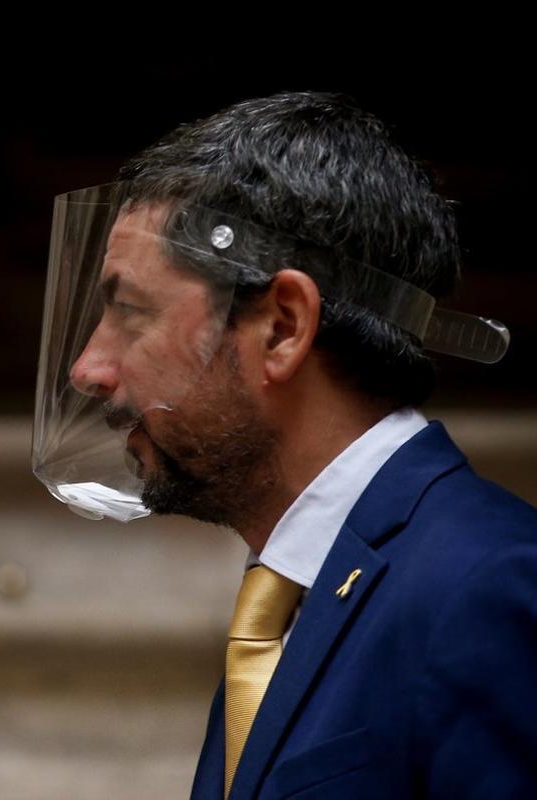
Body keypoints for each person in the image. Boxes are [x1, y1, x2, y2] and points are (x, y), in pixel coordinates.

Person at [31, 92, 537, 798]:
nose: (88, 368)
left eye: (131, 312)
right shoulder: (297, 587)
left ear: (282, 327)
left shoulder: (491, 585)